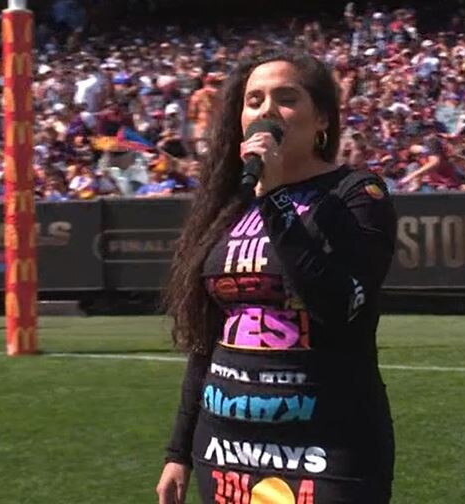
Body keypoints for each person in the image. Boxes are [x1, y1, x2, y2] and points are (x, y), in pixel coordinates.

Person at [156, 50, 397, 504]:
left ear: (322, 118)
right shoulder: (230, 205)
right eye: (254, 99)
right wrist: (179, 451)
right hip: (224, 448)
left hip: (325, 446)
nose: (266, 110)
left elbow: (340, 306)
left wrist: (274, 199)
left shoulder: (358, 194)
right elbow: (207, 341)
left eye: (286, 97)